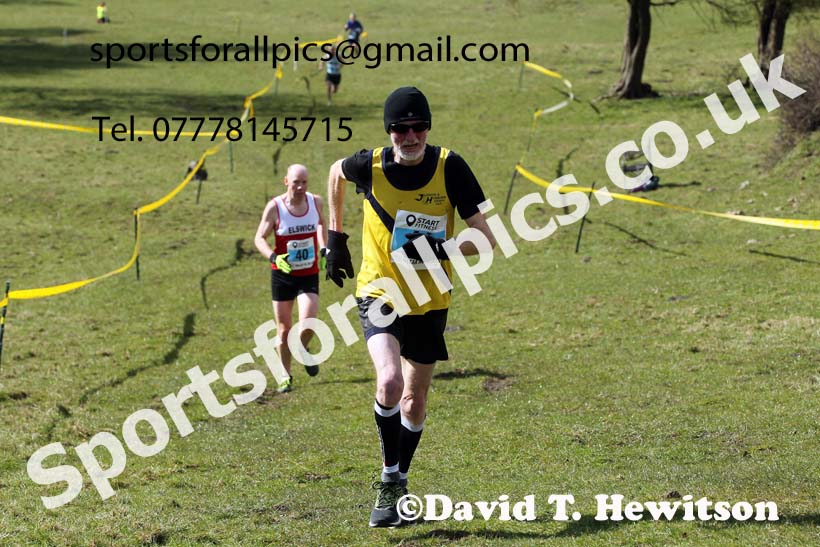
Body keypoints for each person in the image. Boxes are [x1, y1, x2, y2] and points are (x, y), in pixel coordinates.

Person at [325, 87, 496, 527]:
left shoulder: (450, 167)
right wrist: (334, 239)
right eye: (401, 129)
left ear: (428, 128)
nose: (410, 136)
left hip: (429, 298)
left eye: (418, 127)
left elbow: (486, 237)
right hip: (378, 292)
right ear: (390, 132)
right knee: (388, 381)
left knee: (413, 401)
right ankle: (387, 478)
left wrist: (438, 250)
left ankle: (400, 481)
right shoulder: (370, 164)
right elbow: (333, 173)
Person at [255, 164, 327, 393]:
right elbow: (259, 238)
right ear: (286, 181)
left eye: (304, 182)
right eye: (296, 182)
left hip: (308, 274)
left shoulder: (315, 202)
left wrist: (324, 248)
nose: (300, 187)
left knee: (309, 323)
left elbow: (322, 223)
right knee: (284, 329)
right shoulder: (275, 207)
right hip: (283, 275)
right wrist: (274, 257)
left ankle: (302, 349)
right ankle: (285, 374)